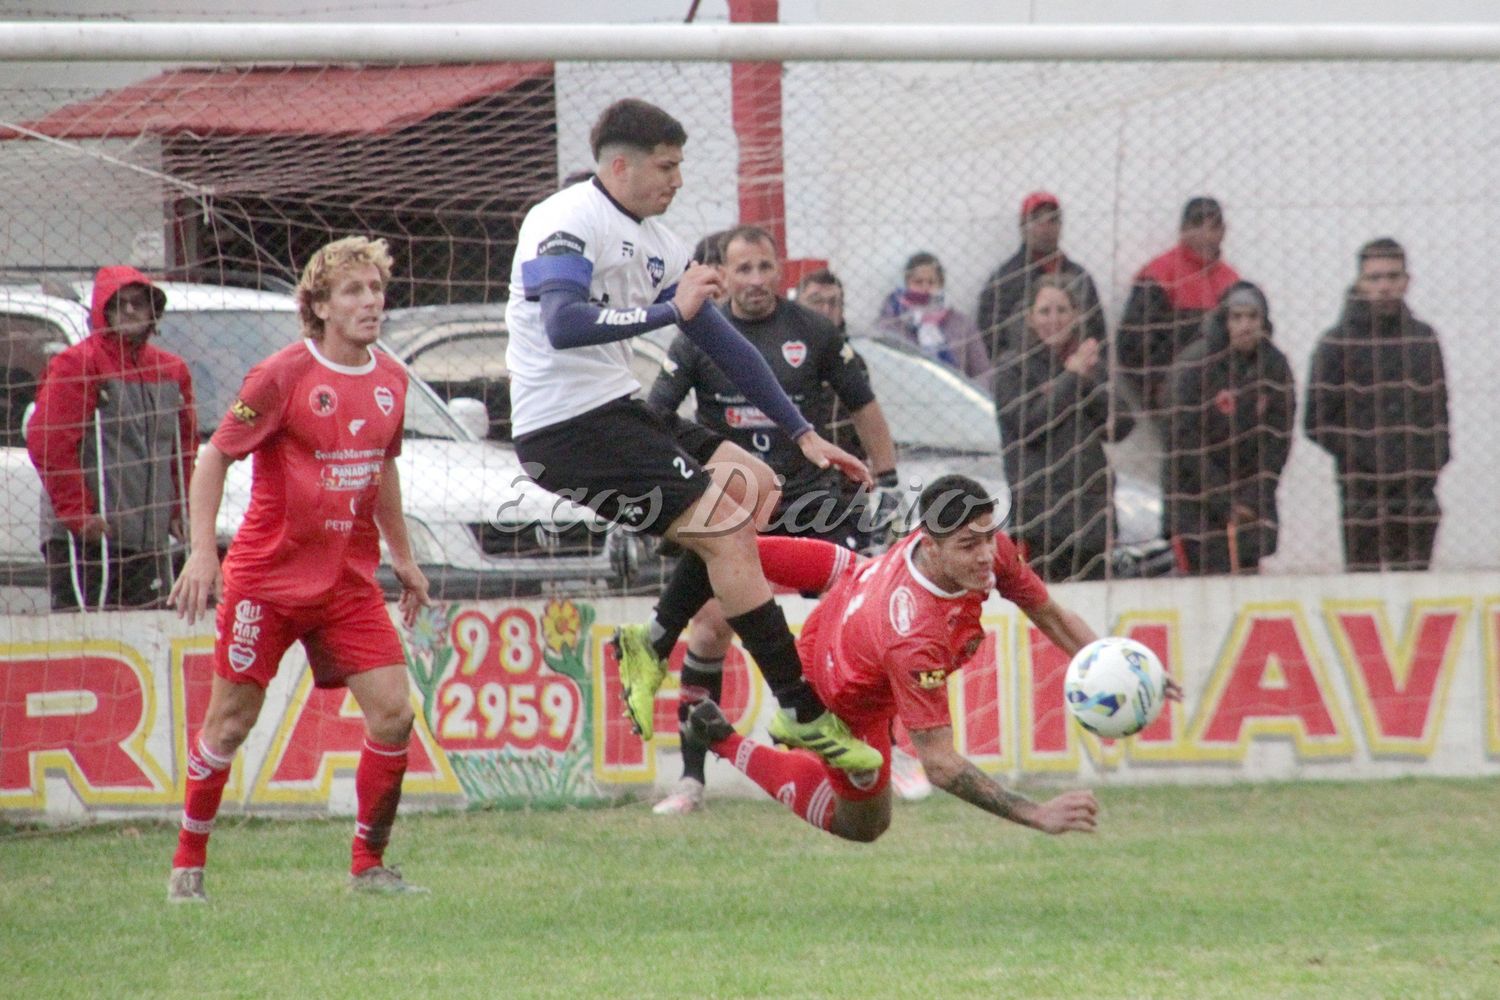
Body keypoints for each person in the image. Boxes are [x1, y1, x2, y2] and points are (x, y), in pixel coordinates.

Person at [502, 98, 880, 772]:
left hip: (613, 408)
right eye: (667, 167)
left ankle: (651, 641)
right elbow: (562, 323)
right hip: (565, 427)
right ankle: (800, 712)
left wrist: (802, 436)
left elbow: (728, 346)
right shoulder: (564, 221)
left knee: (755, 486)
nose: (677, 180)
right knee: (731, 532)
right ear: (620, 165)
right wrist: (664, 310)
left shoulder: (658, 244)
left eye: (680, 166)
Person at [681, 474, 1181, 843]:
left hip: (855, 598)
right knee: (864, 824)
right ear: (931, 545)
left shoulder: (983, 548)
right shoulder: (914, 635)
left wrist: (1122, 664)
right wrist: (1036, 813)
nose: (987, 555)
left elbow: (1048, 612)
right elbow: (940, 765)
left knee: (826, 563)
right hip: (839, 693)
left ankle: (717, 561)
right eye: (969, 545)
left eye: (988, 537)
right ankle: (723, 739)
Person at [164, 237, 432, 902]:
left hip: (347, 584)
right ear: (318, 305)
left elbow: (382, 469)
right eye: (352, 291)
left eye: (375, 289)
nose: (370, 301)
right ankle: (187, 865)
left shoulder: (391, 380)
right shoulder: (282, 375)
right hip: (268, 581)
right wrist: (204, 551)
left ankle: (368, 866)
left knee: (395, 714)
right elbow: (214, 457)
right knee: (229, 724)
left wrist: (403, 557)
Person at [647, 227, 902, 814]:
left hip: (812, 500)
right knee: (709, 627)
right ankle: (690, 779)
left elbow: (863, 405)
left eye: (766, 268)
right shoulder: (696, 335)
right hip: (735, 507)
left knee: (865, 618)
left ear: (781, 272)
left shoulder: (813, 330)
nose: (757, 280)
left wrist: (887, 482)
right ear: (725, 274)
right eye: (744, 269)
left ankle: (892, 751)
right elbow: (655, 414)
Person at [26, 266, 196, 610]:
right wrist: (78, 514)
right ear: (104, 311)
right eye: (120, 304)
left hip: (148, 538)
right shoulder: (78, 364)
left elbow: (182, 447)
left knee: (148, 631)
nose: (131, 311)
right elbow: (49, 439)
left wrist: (178, 508)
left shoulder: (172, 370)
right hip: (90, 537)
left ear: (153, 311)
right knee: (85, 636)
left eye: (139, 303)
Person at [1305, 238, 1450, 572]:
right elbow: (1316, 421)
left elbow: (1439, 409)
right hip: (1362, 489)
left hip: (1416, 487)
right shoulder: (1336, 343)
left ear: (1406, 281)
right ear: (1359, 282)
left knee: (1414, 583)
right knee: (1364, 584)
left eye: (1391, 276)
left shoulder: (1423, 340)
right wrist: (1364, 455)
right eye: (1374, 278)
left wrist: (1432, 459)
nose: (1384, 286)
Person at [996, 275, 1134, 583]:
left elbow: (1122, 425)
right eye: (1045, 311)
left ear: (1075, 315)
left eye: (1062, 310)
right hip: (1040, 520)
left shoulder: (1087, 363)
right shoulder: (1012, 367)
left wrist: (1088, 378)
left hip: (1092, 517)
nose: (1054, 319)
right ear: (1030, 317)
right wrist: (1071, 378)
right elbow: (1028, 426)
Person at [1162, 282, 1295, 575]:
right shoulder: (1195, 366)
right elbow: (1183, 441)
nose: (1245, 326)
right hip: (1196, 502)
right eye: (1237, 317)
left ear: (1264, 321)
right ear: (1224, 321)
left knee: (1247, 580)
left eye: (1252, 317)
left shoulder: (1275, 366)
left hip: (1250, 504)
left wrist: (1253, 497)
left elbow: (1278, 441)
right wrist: (1224, 499)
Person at [1116, 197, 1240, 417]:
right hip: (1174, 395)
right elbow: (1132, 342)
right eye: (1197, 225)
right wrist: (1157, 389)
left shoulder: (1232, 281)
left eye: (1213, 226)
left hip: (1222, 396)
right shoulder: (1159, 273)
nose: (1207, 234)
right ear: (1183, 230)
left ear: (1223, 231)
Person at [975, 191, 1106, 374]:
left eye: (1052, 220)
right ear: (1022, 227)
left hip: (1080, 375)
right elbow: (989, 342)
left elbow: (1098, 332)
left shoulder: (1079, 277)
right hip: (1024, 379)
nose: (1045, 227)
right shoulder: (1005, 280)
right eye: (1037, 219)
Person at [876, 252, 989, 381]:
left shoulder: (961, 323)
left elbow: (982, 371)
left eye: (931, 282)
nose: (925, 288)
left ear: (941, 285)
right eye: (918, 282)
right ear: (906, 284)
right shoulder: (891, 324)